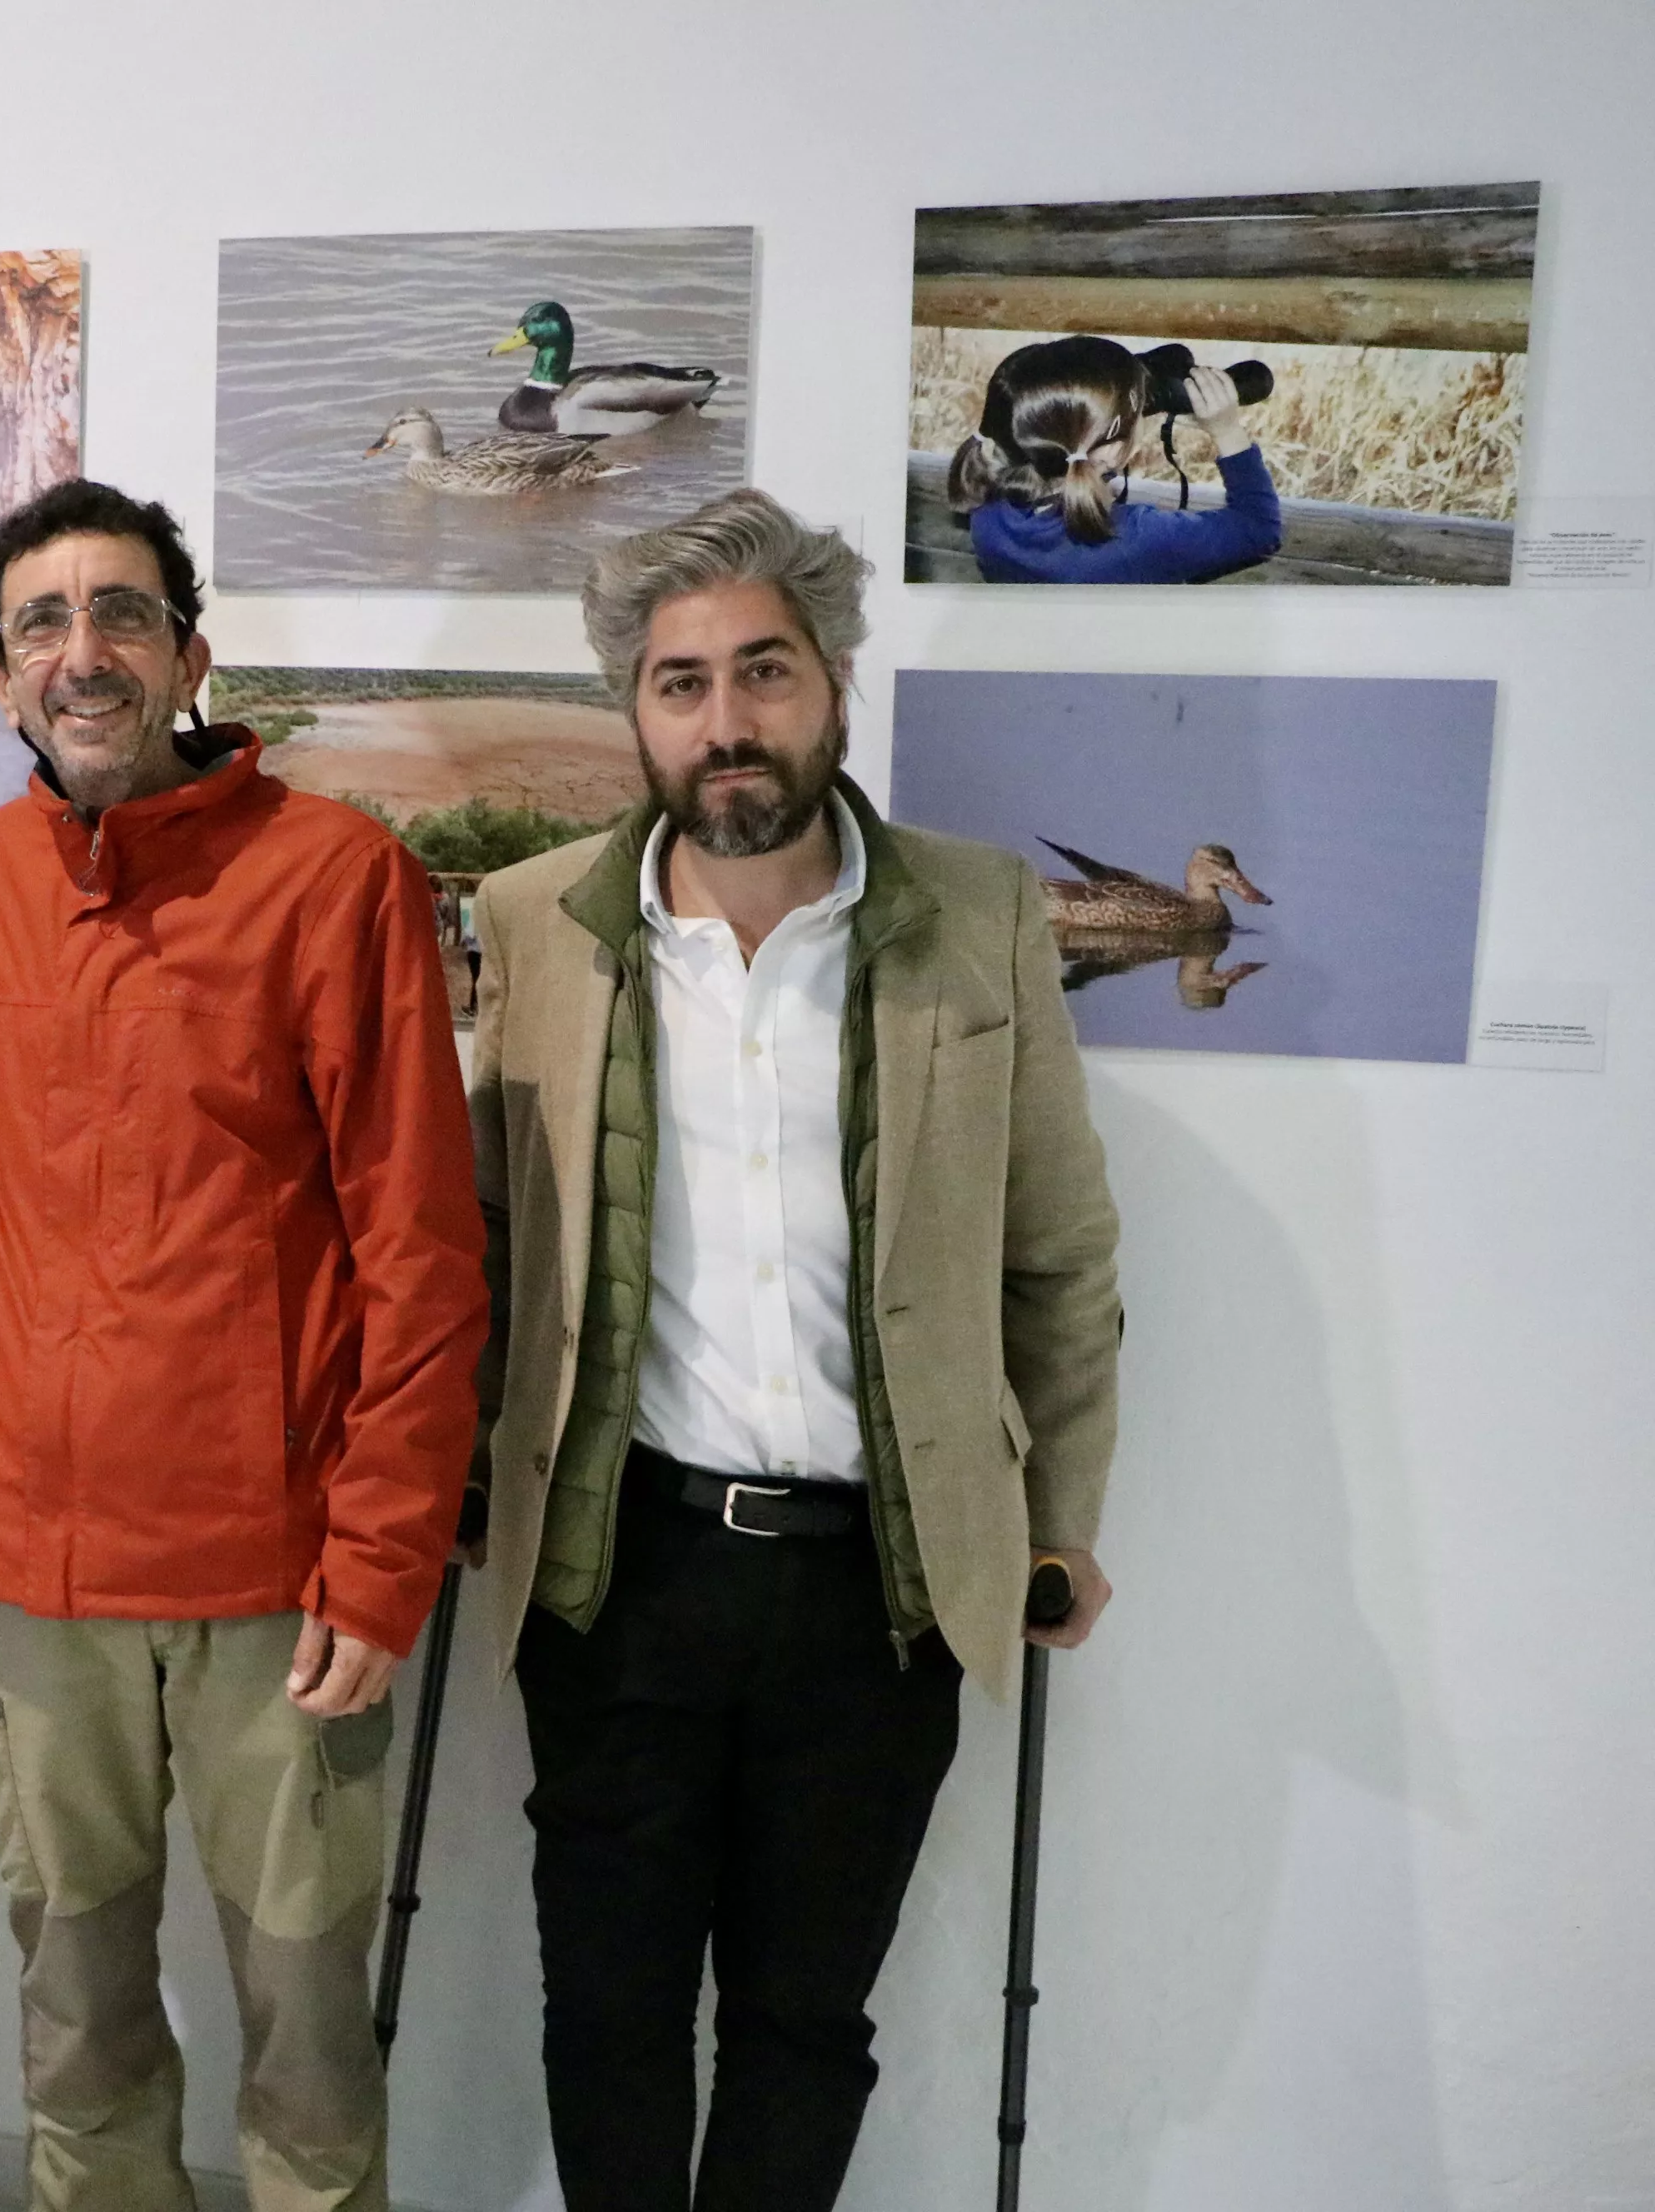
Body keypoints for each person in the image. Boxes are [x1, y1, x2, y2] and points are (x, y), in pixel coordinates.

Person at [467, 489, 1124, 2210]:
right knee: (605, 2005)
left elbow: (1058, 1256)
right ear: (637, 707)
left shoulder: (977, 919)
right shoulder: (540, 923)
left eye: (762, 670)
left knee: (804, 2015)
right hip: (622, 1568)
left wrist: (1062, 1513)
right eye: (681, 682)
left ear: (831, 680)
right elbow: (472, 1243)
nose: (727, 720)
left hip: (877, 1585)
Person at [0, 480, 487, 2212]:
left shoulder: (337, 879)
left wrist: (384, 1553)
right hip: (34, 1587)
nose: (81, 652)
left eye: (120, 614)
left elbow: (422, 1244)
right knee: (74, 2032)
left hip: (274, 1589)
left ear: (190, 650)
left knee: (308, 2050)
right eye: (43, 621)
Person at [947, 333, 1284, 583]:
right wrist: (1226, 431)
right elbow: (1259, 528)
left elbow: (1074, 460)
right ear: (1109, 453)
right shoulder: (1138, 537)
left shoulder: (987, 512)